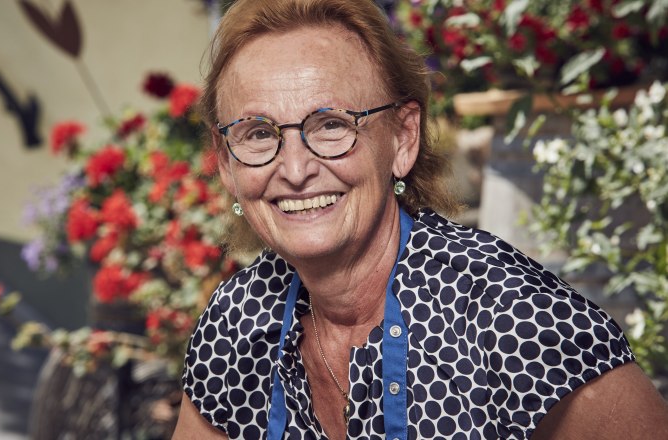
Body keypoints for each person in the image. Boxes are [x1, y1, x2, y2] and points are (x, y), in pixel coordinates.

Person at [173, 0, 668, 438]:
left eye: (331, 125)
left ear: (403, 137)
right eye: (258, 132)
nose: (296, 169)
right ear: (226, 161)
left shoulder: (510, 318)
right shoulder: (237, 319)